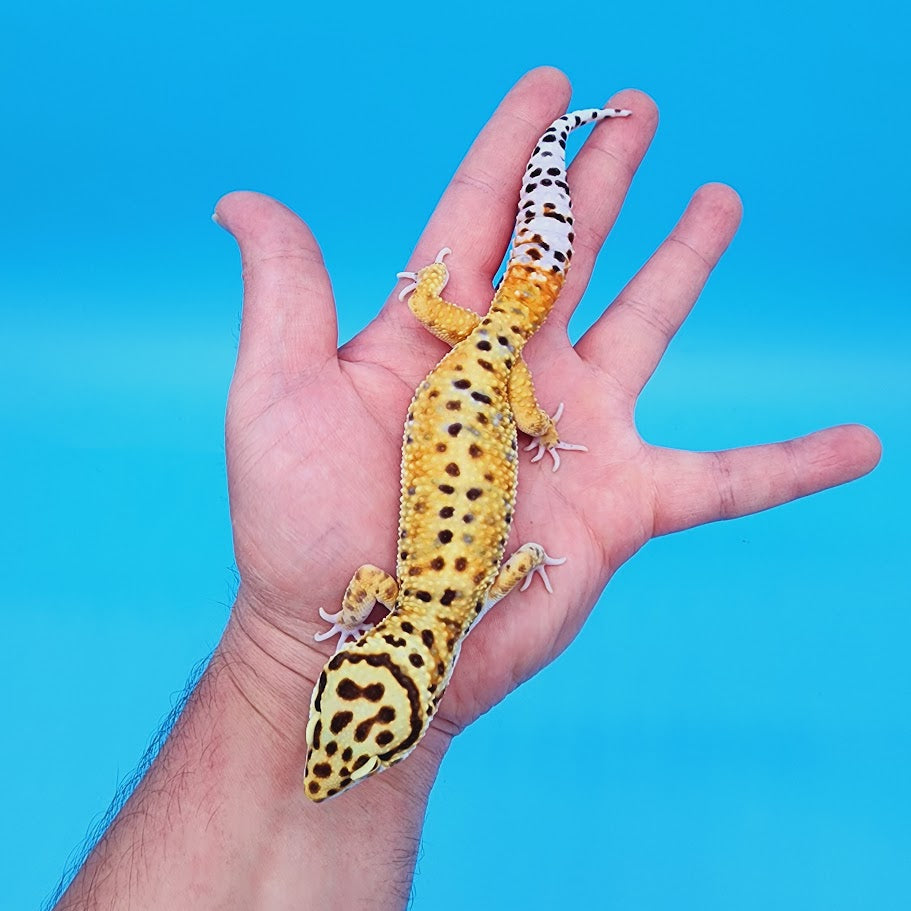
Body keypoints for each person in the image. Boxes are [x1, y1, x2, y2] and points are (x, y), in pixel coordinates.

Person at [53, 67, 880, 909]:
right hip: (477, 373)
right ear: (378, 661)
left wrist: (533, 467)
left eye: (340, 733)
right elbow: (391, 586)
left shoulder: (468, 599)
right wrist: (534, 429)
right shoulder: (390, 595)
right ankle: (551, 154)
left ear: (364, 660)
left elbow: (517, 564)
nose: (337, 758)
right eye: (365, 749)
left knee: (519, 297)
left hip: (479, 375)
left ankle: (555, 148)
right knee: (514, 310)